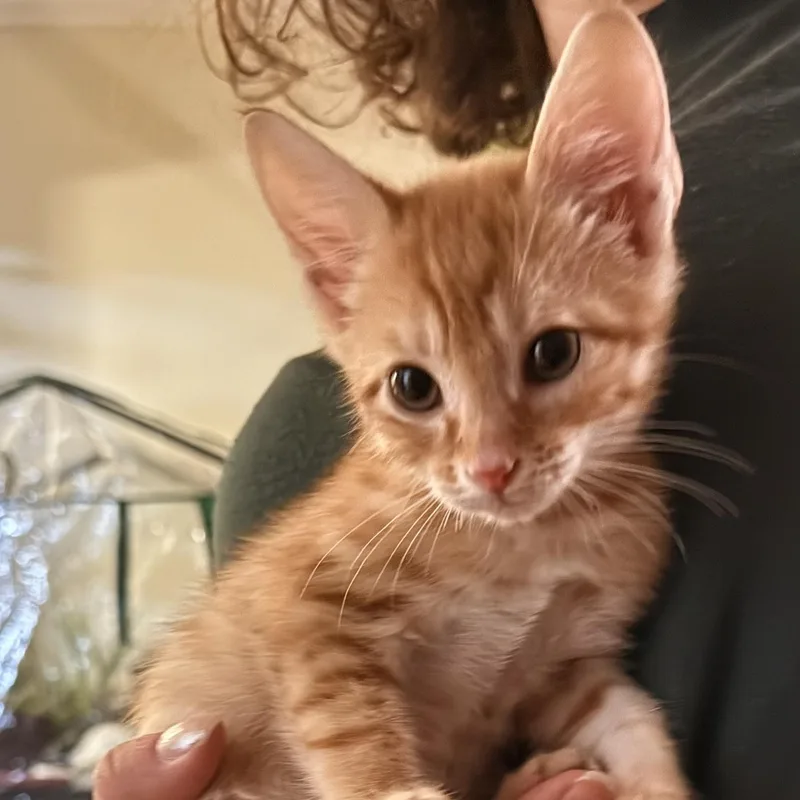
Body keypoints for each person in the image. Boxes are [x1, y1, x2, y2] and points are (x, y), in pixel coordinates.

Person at [95, 0, 800, 798]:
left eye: (550, 355)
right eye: (415, 387)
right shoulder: (324, 456)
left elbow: (556, 684)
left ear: (631, 210)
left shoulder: (630, 526)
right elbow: (311, 619)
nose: (489, 460)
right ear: (334, 292)